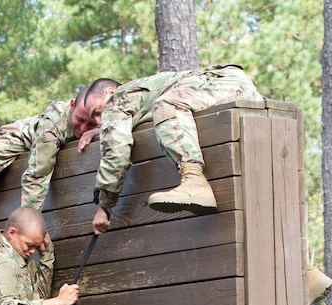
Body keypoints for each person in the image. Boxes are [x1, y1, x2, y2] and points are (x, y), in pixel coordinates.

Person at [81, 66, 264, 234]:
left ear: (110, 92)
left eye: (98, 112)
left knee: (166, 105)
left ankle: (194, 180)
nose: (99, 120)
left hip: (223, 82)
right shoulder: (145, 93)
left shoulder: (117, 99)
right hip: (237, 86)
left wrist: (104, 206)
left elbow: (116, 152)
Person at [0, 88, 100, 234]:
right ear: (72, 106)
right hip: (24, 136)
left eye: (91, 123)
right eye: (80, 120)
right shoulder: (51, 126)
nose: (84, 128)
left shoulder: (110, 110)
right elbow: (37, 175)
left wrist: (98, 131)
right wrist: (27, 228)